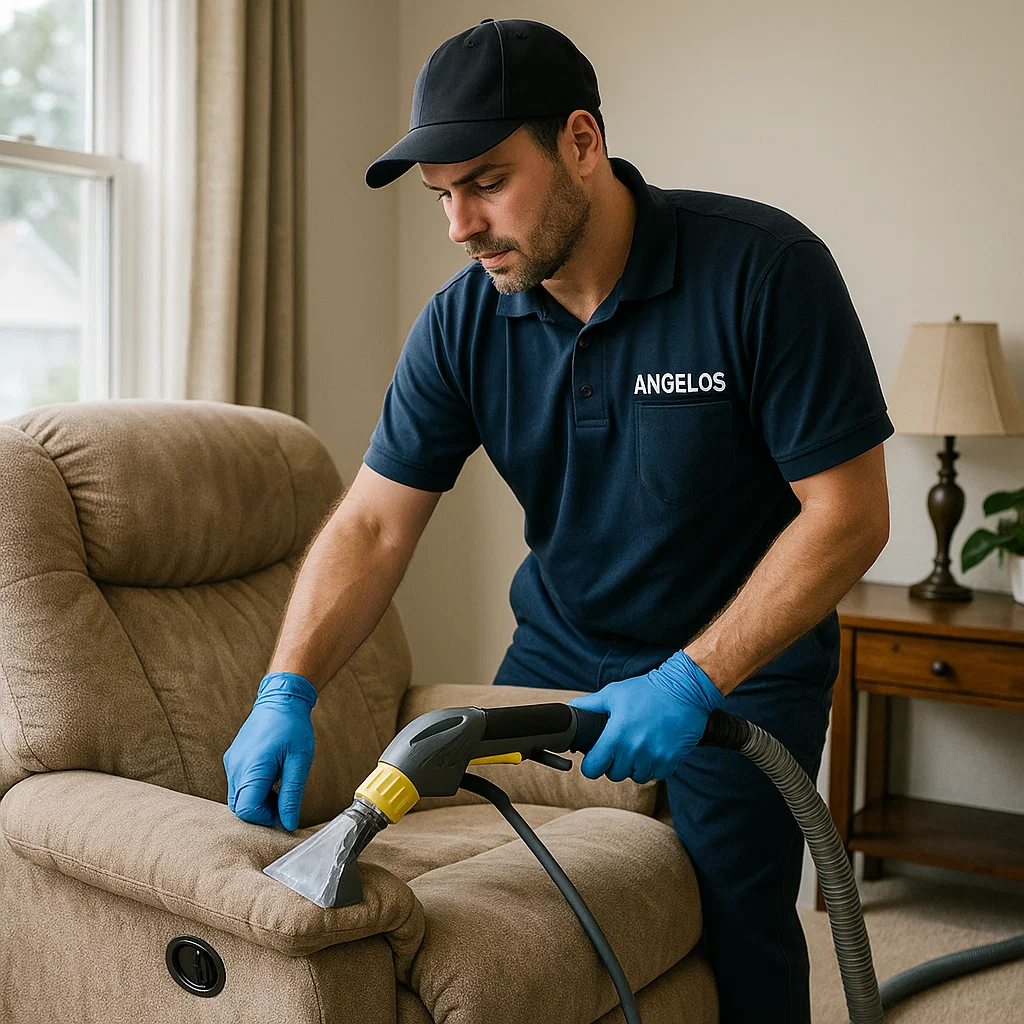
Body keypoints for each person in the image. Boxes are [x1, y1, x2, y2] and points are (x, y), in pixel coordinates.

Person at [223, 18, 892, 1023]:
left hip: (736, 672)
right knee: (514, 922)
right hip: (556, 651)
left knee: (737, 921)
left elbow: (848, 516)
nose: (459, 225)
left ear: (581, 141)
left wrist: (689, 677)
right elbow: (371, 526)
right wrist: (287, 687)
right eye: (442, 195)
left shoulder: (762, 269)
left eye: (486, 181)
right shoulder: (465, 320)